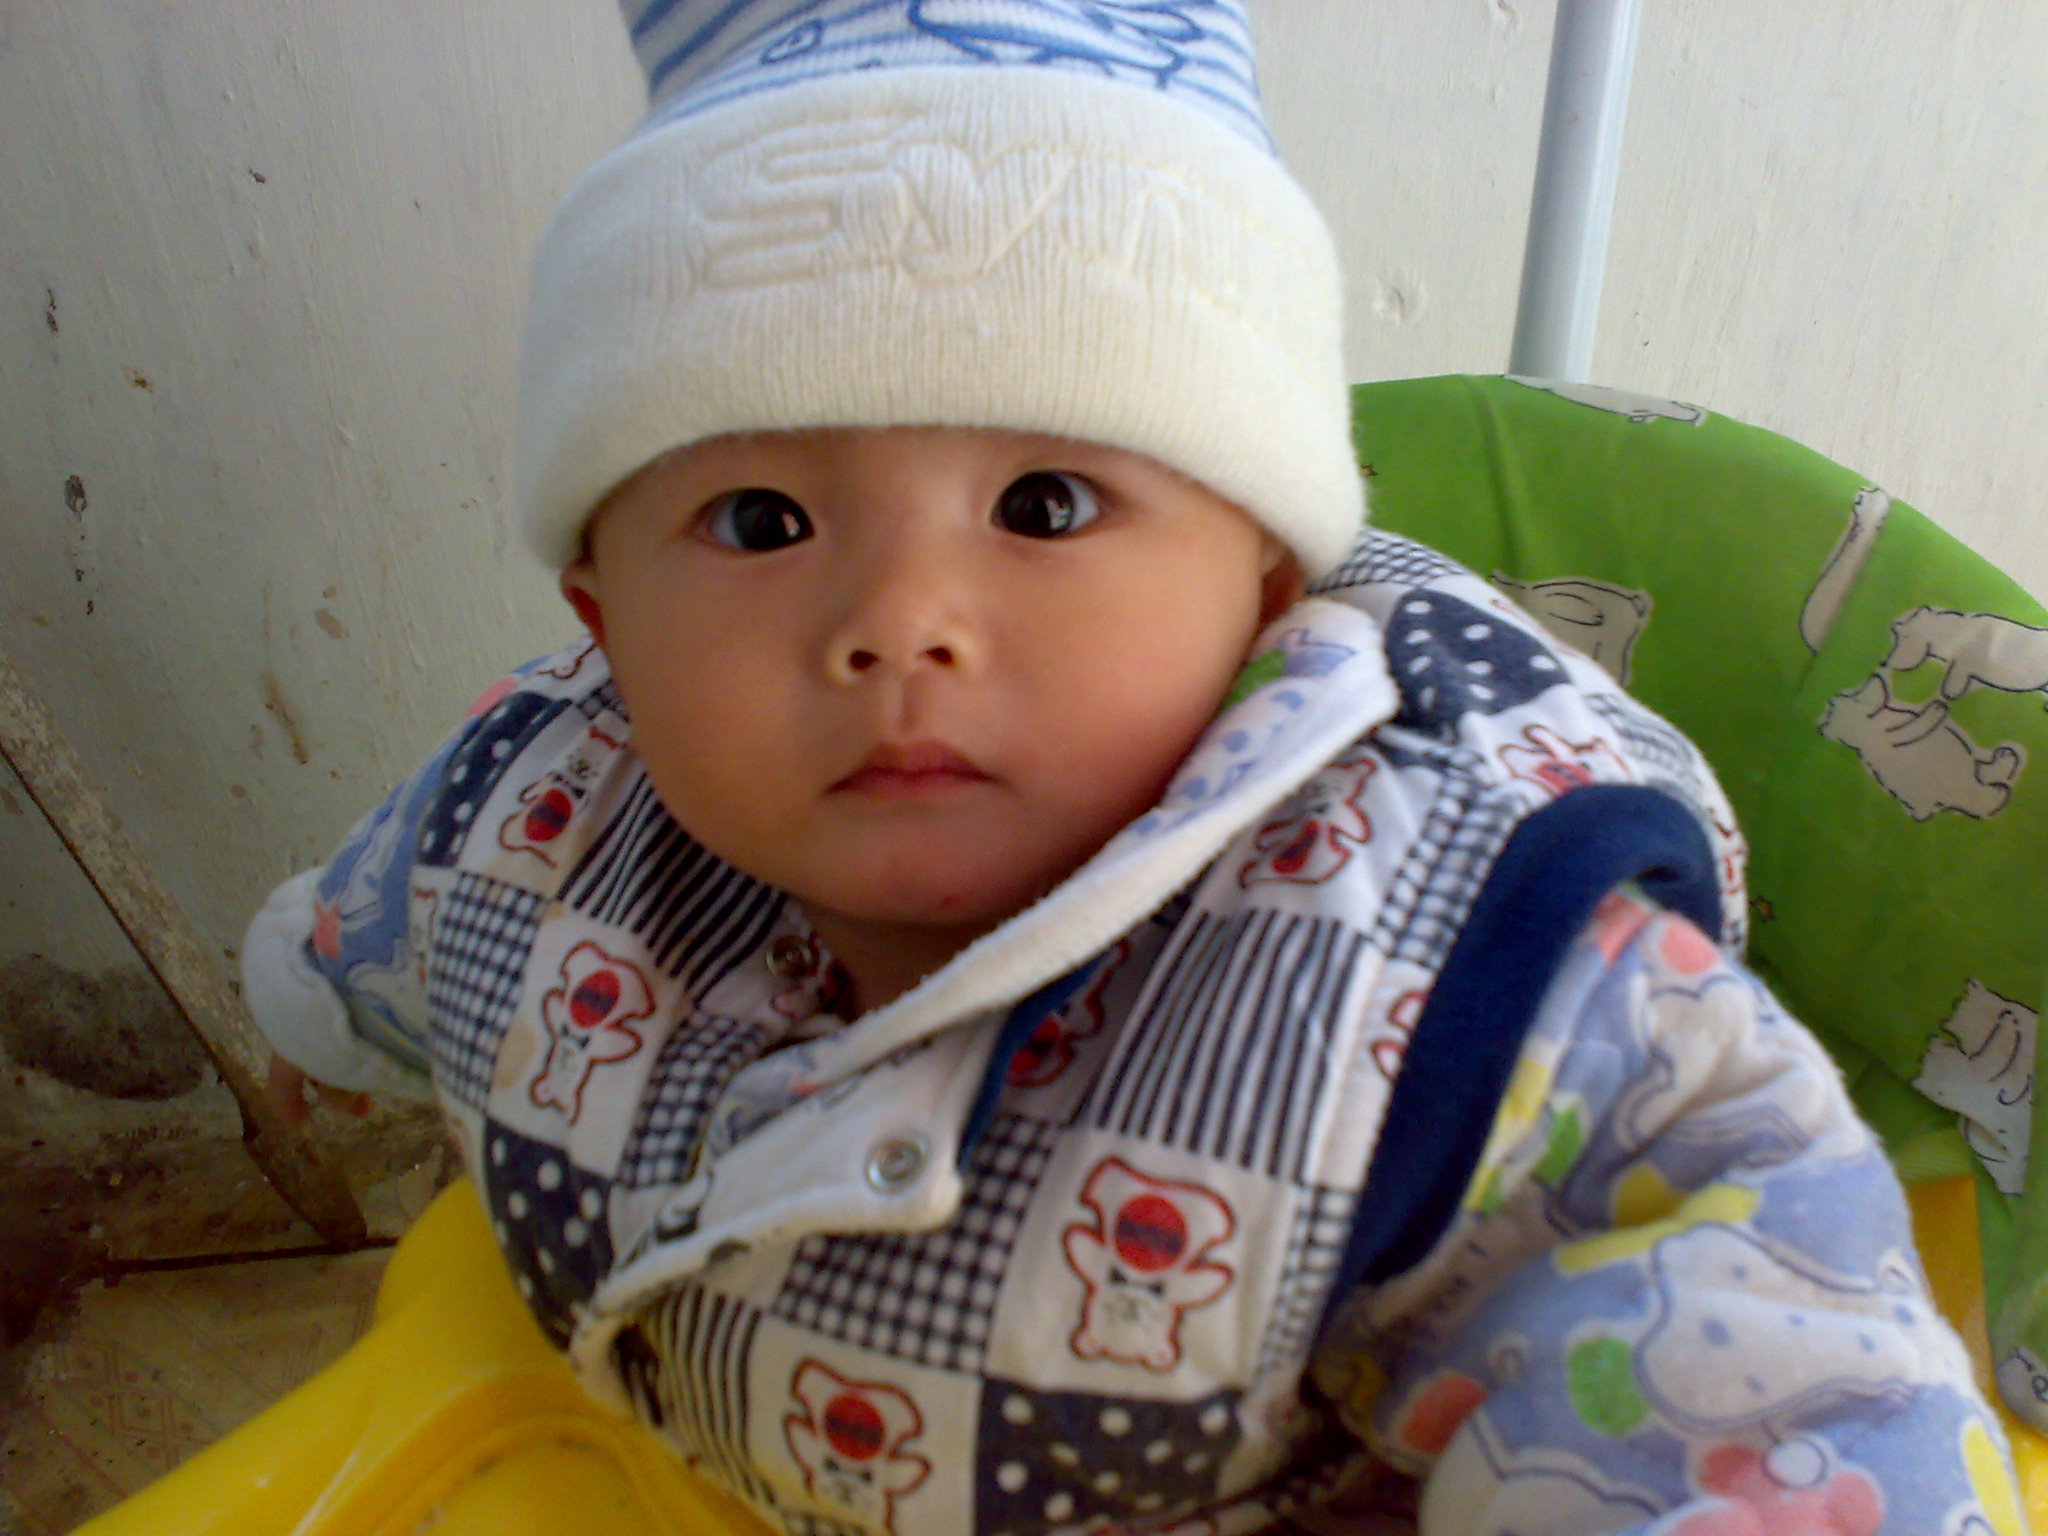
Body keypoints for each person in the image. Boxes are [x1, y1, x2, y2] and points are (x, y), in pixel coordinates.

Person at [243, 4, 2024, 1532]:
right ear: (602, 615)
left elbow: (1760, 1365)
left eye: (1044, 505)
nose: (899, 623)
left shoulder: (1464, 985)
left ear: (1265, 581)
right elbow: (398, 922)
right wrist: (321, 1009)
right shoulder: (544, 800)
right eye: (763, 519)